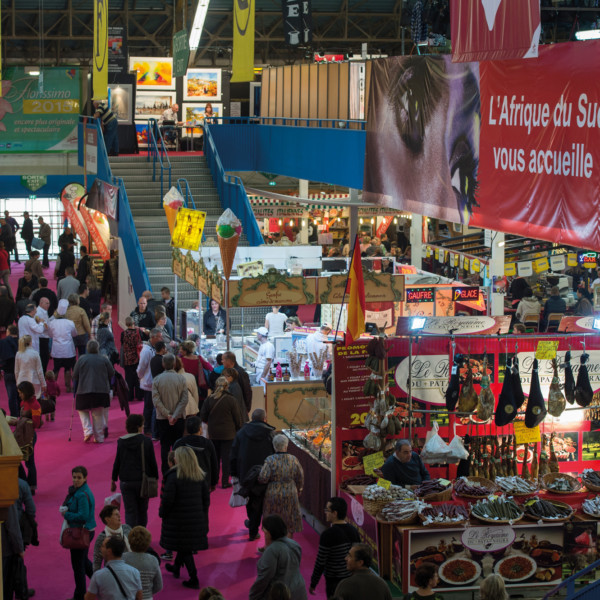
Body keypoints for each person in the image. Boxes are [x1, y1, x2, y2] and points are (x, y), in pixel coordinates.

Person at [160, 446, 211, 590]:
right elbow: (206, 500)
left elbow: (167, 500)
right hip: (195, 519)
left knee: (186, 548)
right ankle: (176, 567)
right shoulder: (199, 476)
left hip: (178, 520)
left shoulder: (173, 477)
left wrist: (162, 513)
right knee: (185, 546)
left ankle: (193, 577)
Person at [230, 408, 275, 541]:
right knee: (263, 501)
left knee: (251, 501)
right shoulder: (270, 433)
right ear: (265, 419)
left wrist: (233, 473)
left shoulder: (241, 433)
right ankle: (258, 528)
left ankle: (253, 527)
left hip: (246, 473)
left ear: (252, 418)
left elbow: (233, 454)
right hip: (265, 473)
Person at [111, 414, 158, 528]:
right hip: (142, 481)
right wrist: (155, 478)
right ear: (138, 427)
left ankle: (130, 537)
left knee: (130, 512)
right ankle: (141, 537)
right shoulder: (146, 441)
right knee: (142, 511)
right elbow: (152, 462)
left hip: (126, 481)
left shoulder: (121, 442)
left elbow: (118, 461)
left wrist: (113, 479)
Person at [309, 496, 361, 598]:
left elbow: (321, 561)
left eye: (327, 510)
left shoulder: (328, 534)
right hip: (351, 579)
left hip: (334, 582)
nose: (325, 512)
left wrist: (313, 583)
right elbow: (359, 555)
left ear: (335, 513)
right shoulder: (354, 531)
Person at [249, 514, 307, 600]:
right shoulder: (295, 544)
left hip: (282, 595)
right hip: (299, 590)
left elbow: (264, 578)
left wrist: (253, 596)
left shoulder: (272, 551)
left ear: (269, 533)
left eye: (264, 531)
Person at [199, 376, 243, 488]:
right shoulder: (231, 400)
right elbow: (237, 418)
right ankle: (225, 481)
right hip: (228, 433)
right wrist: (238, 428)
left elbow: (203, 416)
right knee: (226, 458)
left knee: (215, 458)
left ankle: (213, 480)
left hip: (213, 432)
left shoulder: (209, 399)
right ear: (227, 386)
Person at [61, 465, 96, 600]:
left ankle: (79, 595)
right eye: (74, 477)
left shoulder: (81, 494)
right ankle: (99, 582)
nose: (76, 480)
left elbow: (83, 516)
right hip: (86, 531)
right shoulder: (81, 490)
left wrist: (66, 514)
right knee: (83, 561)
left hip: (81, 532)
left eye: (79, 478)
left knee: (78, 566)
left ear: (85, 478)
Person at [258, 434, 304, 536]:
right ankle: (288, 547)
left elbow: (263, 478)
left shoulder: (270, 460)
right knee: (289, 521)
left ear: (274, 446)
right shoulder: (293, 459)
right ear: (286, 446)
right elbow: (300, 476)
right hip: (290, 491)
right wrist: (299, 489)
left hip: (273, 492)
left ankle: (270, 546)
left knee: (272, 520)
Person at [72, 339, 115, 443]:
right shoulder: (104, 359)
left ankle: (87, 430)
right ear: (97, 348)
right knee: (98, 414)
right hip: (101, 391)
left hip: (83, 390)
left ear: (87, 348)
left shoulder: (81, 359)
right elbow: (112, 373)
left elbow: (75, 375)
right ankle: (99, 437)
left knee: (82, 410)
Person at [153, 353, 189, 474]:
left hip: (162, 418)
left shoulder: (157, 379)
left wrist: (167, 415)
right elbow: (184, 400)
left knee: (164, 445)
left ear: (163, 364)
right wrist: (174, 415)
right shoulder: (181, 378)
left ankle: (165, 470)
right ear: (174, 364)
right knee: (177, 445)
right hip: (178, 418)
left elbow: (156, 400)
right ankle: (178, 469)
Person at [173, 415, 219, 490]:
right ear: (200, 429)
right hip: (204, 481)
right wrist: (213, 482)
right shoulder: (207, 443)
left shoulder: (179, 443)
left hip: (184, 481)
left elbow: (173, 463)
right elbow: (214, 464)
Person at [122, 526, 163, 600]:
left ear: (130, 541)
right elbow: (159, 586)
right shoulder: (153, 560)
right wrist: (148, 593)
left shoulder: (122, 558)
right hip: (146, 597)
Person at [48, 298, 77, 392]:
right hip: (68, 349)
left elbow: (50, 335)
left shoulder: (52, 323)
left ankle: (53, 387)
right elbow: (74, 334)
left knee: (56, 368)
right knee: (68, 368)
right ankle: (68, 387)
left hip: (57, 349)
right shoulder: (70, 323)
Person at [18, 380, 42, 493]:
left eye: (21, 393)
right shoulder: (23, 403)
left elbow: (36, 424)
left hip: (30, 435)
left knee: (29, 462)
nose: (19, 395)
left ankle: (31, 486)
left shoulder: (35, 405)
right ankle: (25, 483)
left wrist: (25, 420)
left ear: (26, 392)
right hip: (22, 434)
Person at [92, 505, 132, 572]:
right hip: (112, 572)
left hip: (130, 568)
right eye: (116, 515)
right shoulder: (102, 538)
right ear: (107, 519)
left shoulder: (127, 528)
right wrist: (97, 577)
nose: (119, 516)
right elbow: (97, 561)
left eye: (119, 514)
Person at [137, 328, 161, 437]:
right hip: (148, 382)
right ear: (153, 337)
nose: (161, 339)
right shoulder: (146, 350)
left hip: (153, 382)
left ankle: (151, 427)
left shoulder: (153, 348)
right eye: (159, 337)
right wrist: (141, 377)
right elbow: (141, 367)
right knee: (148, 407)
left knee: (152, 407)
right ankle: (147, 428)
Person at [15, 334, 46, 399]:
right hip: (34, 380)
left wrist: (17, 381)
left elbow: (16, 371)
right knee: (34, 401)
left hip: (22, 380)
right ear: (30, 342)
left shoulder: (18, 354)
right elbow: (40, 371)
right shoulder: (35, 353)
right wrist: (43, 383)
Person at [121, 316, 143, 402]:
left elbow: (122, 343)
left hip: (127, 358)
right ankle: (139, 395)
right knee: (138, 378)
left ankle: (129, 396)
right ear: (133, 323)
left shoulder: (123, 333)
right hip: (137, 357)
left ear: (126, 323)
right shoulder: (138, 332)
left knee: (129, 379)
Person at [0, 325, 20, 416]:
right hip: (21, 372)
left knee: (11, 396)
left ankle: (14, 415)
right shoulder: (22, 341)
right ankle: (22, 413)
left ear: (8, 332)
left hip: (8, 371)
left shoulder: (3, 342)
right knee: (22, 393)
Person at [67, 292, 92, 357]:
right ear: (77, 301)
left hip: (71, 335)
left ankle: (74, 366)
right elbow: (86, 324)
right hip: (82, 334)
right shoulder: (81, 310)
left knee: (72, 354)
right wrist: (90, 334)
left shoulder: (67, 311)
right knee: (82, 354)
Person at [35, 297, 51, 372]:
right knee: (43, 358)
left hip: (44, 337)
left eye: (49, 303)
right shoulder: (39, 312)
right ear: (40, 303)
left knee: (45, 358)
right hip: (42, 337)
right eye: (46, 303)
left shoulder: (43, 311)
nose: (48, 305)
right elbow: (44, 326)